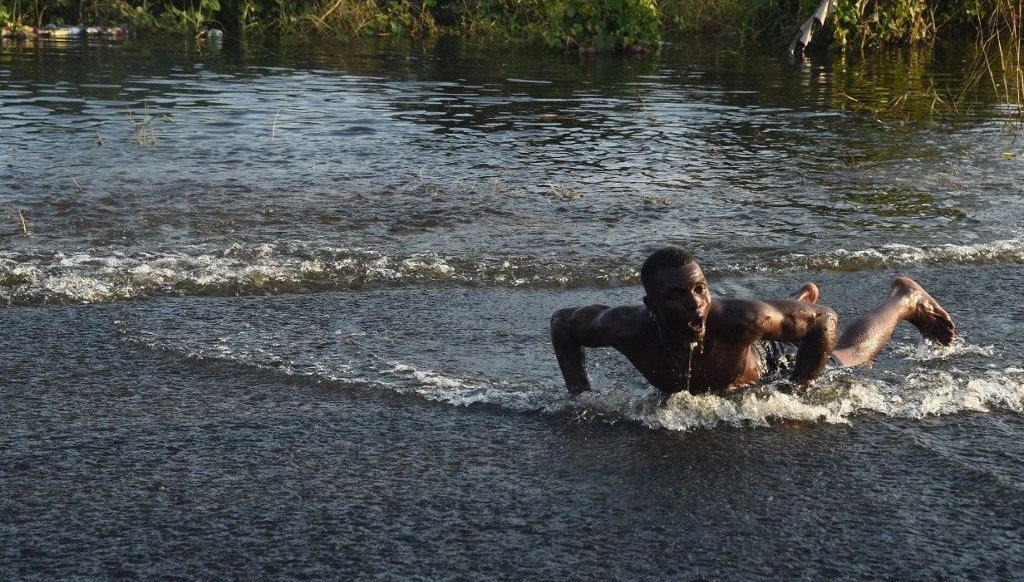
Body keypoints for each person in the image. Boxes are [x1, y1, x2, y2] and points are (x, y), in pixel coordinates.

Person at [550, 247, 955, 395]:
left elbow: (826, 321)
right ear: (651, 304)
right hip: (750, 336)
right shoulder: (622, 327)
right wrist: (578, 394)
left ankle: (903, 299)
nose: (694, 305)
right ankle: (794, 303)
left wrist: (798, 392)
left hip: (765, 365)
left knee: (852, 357)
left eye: (699, 289)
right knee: (774, 319)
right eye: (676, 296)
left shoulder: (734, 317)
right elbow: (561, 323)